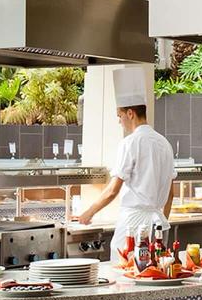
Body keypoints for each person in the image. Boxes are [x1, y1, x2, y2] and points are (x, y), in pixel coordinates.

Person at [75, 69, 176, 259]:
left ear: (130, 113)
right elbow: (171, 194)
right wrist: (161, 223)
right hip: (158, 224)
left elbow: (113, 190)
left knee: (123, 267)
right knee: (153, 270)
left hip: (133, 224)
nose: (119, 121)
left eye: (119, 115)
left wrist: (88, 212)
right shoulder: (165, 144)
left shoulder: (130, 143)